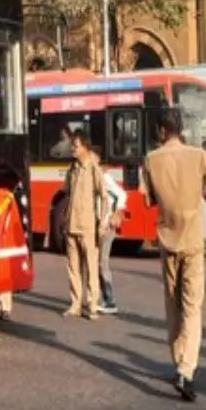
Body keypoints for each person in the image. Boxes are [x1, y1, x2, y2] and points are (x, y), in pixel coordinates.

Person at [140, 108, 206, 402]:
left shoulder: (151, 159)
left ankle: (177, 358)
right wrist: (200, 197)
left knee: (172, 304)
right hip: (193, 239)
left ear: (163, 131)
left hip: (167, 240)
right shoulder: (199, 155)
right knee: (192, 306)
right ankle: (186, 369)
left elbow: (148, 199)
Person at [62, 132, 108, 320]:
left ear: (85, 147)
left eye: (76, 145)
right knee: (73, 267)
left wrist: (103, 222)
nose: (73, 148)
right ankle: (75, 303)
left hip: (88, 225)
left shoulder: (93, 168)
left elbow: (104, 196)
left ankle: (92, 305)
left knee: (90, 266)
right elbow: (66, 193)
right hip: (71, 224)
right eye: (72, 145)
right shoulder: (71, 169)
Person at [97, 163, 128, 314]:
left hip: (107, 226)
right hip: (100, 224)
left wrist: (116, 213)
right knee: (98, 262)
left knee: (102, 262)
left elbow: (122, 194)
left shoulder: (104, 178)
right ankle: (101, 297)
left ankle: (109, 300)